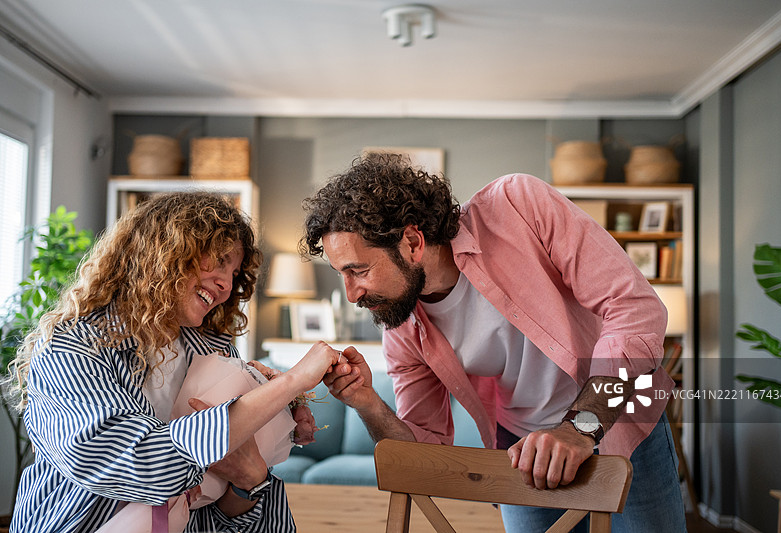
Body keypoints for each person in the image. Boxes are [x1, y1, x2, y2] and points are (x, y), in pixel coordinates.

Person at [300, 154, 687, 532]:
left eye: (359, 270)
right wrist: (367, 403)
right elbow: (425, 450)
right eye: (342, 275)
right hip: (523, 455)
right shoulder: (403, 327)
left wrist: (579, 430)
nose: (351, 294)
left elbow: (634, 309)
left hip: (619, 421)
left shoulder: (519, 206)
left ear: (413, 242)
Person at [9, 191, 342, 533]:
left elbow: (219, 512)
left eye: (235, 271)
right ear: (166, 254)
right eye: (218, 260)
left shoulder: (213, 350)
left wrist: (254, 474)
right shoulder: (72, 348)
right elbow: (133, 461)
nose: (226, 284)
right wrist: (291, 383)